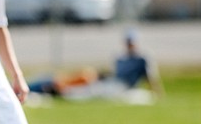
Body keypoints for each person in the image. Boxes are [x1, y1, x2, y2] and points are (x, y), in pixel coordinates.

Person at [29, 30, 164, 102]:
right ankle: (38, 86)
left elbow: (150, 77)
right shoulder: (120, 58)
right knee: (82, 77)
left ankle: (53, 90)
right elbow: (114, 74)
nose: (129, 45)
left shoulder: (142, 58)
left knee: (85, 85)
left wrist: (157, 93)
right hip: (111, 82)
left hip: (122, 86)